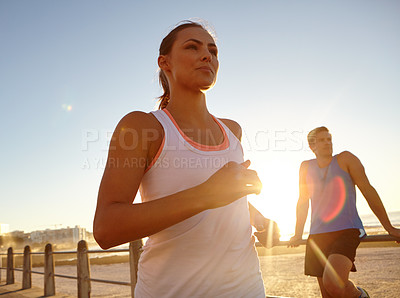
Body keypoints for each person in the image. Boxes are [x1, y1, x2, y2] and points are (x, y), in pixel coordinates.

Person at [93, 20, 279, 297]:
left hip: (249, 289)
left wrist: (258, 219)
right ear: (164, 62)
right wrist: (206, 194)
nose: (207, 55)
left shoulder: (233, 130)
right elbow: (106, 229)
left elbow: (227, 198)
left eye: (213, 51)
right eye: (192, 47)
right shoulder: (142, 127)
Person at [288, 126, 400, 298]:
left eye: (329, 139)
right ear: (312, 146)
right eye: (322, 140)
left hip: (346, 230)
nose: (328, 143)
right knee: (327, 295)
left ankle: (361, 295)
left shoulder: (346, 159)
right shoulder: (305, 167)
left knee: (333, 284)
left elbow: (368, 190)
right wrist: (297, 233)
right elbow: (303, 201)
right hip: (317, 235)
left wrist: (389, 228)